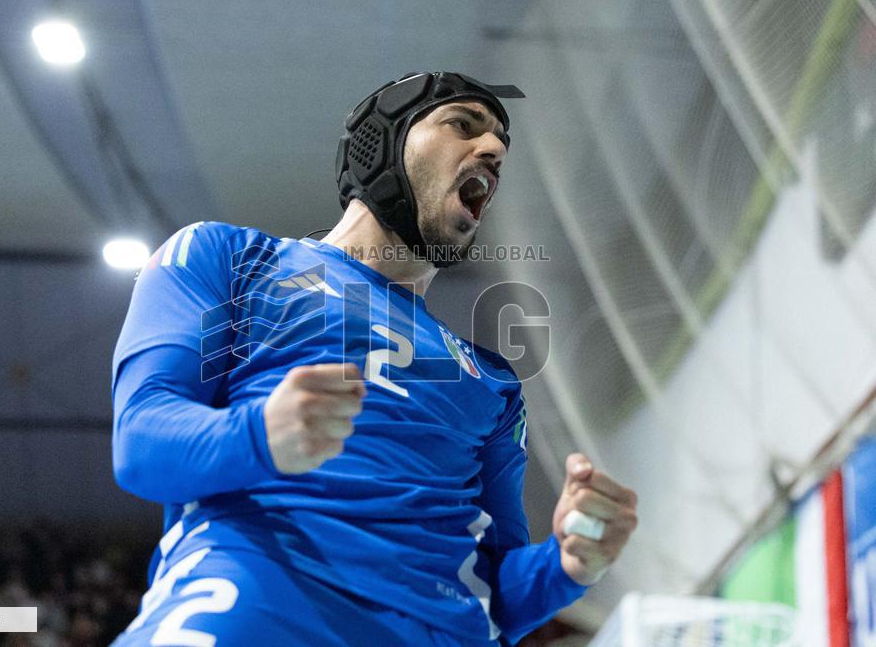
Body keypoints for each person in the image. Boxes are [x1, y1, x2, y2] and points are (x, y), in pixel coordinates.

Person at [109, 71, 638, 646]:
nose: (492, 151)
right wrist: (258, 435)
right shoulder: (230, 258)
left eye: (501, 151)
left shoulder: (493, 379)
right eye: (463, 125)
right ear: (378, 146)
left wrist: (567, 565)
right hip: (253, 613)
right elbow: (142, 440)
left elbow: (493, 594)